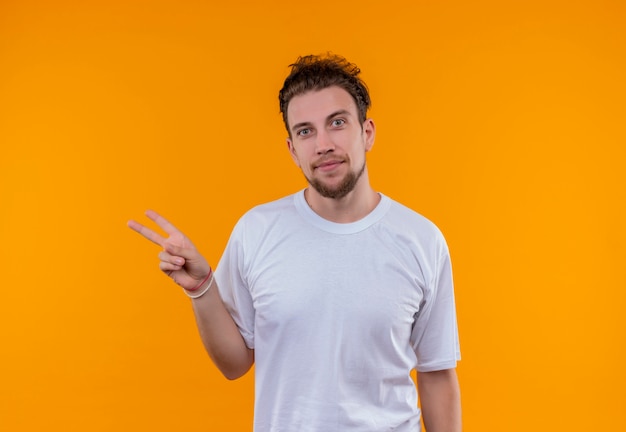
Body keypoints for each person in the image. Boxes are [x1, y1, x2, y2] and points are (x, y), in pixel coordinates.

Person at [128, 54, 461, 431]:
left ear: (367, 132)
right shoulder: (257, 231)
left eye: (337, 123)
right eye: (305, 131)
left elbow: (436, 374)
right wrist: (203, 290)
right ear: (291, 149)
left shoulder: (421, 240)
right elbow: (234, 365)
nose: (323, 144)